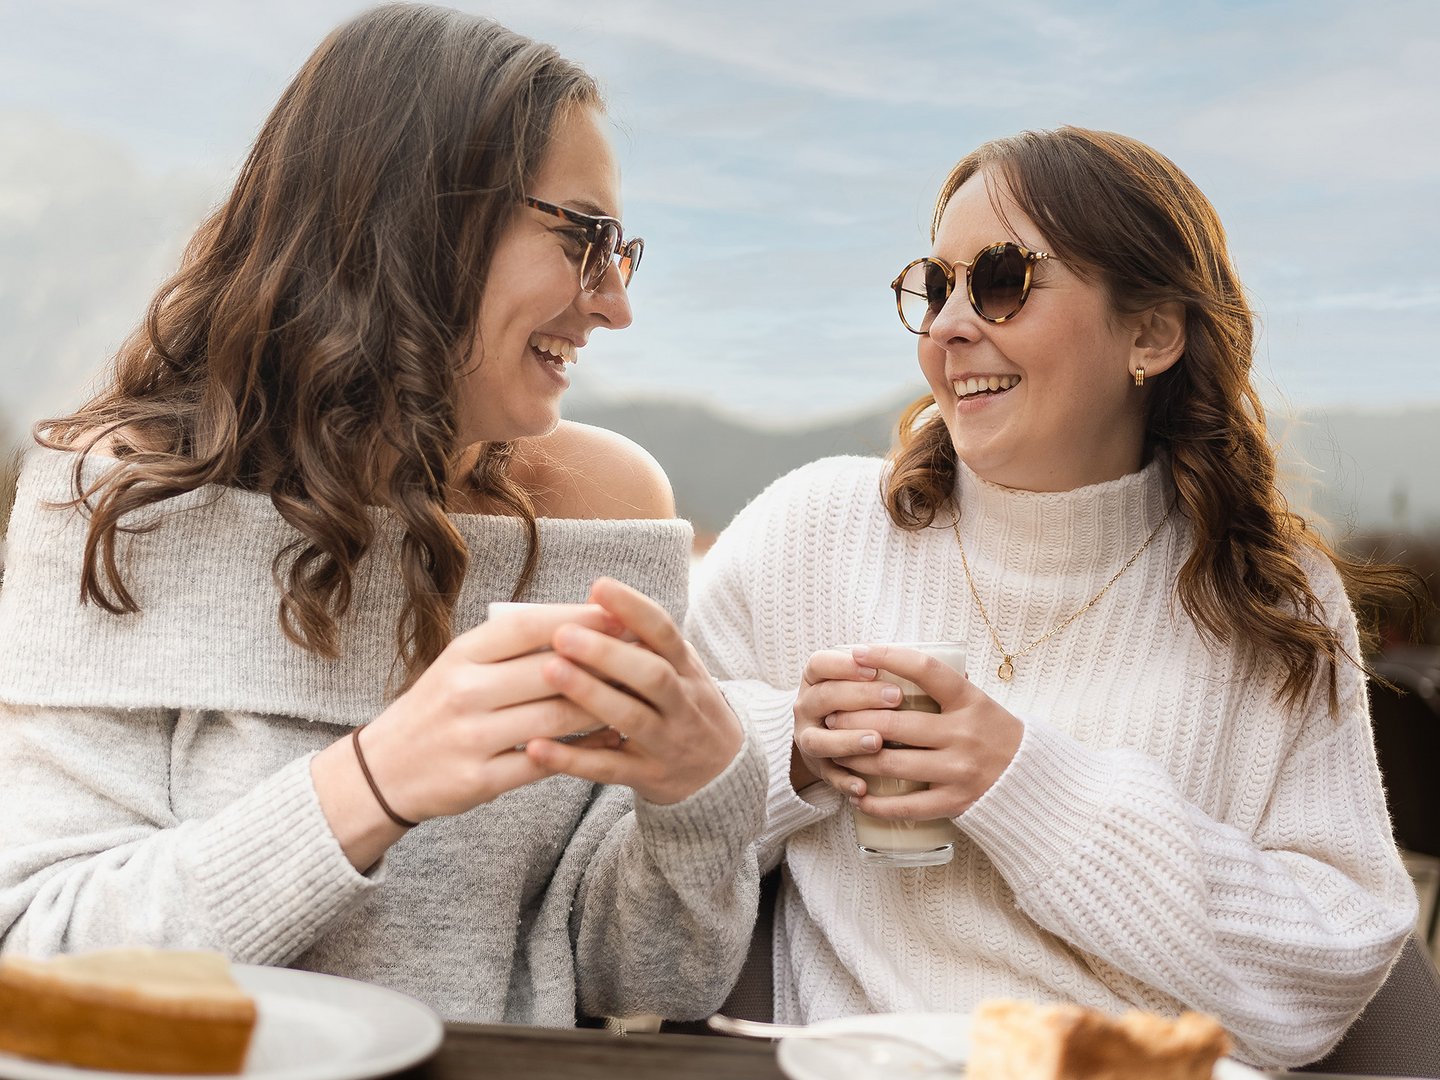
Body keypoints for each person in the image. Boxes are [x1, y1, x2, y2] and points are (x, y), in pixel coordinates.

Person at [0, 4, 765, 1026]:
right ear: (418, 219)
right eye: (584, 240)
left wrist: (702, 797)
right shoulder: (116, 508)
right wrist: (374, 782)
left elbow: (635, 988)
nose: (614, 303)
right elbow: (39, 959)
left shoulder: (609, 512)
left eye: (620, 248)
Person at [686, 126, 1428, 1067]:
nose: (953, 325)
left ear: (1152, 333)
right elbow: (626, 837)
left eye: (1002, 279)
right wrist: (788, 748)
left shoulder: (1272, 595)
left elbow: (1331, 968)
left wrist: (1026, 788)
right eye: (935, 285)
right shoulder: (813, 531)